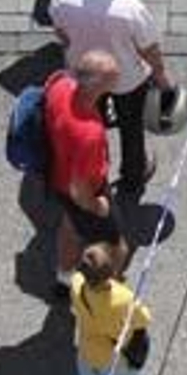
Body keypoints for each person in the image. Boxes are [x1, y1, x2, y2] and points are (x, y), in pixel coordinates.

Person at [50, 0, 172, 197]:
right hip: (126, 80)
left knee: (93, 122)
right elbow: (148, 48)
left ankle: (98, 166)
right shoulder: (131, 8)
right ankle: (133, 176)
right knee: (131, 128)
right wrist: (161, 77)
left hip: (83, 75)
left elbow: (60, 31)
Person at [45, 49, 127, 294]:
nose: (119, 79)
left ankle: (63, 278)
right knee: (117, 246)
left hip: (57, 175)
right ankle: (104, 298)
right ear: (97, 86)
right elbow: (79, 189)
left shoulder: (60, 85)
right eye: (114, 77)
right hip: (84, 190)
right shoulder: (88, 134)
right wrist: (97, 206)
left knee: (70, 225)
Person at [70, 242, 152, 375]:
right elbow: (144, 319)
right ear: (112, 271)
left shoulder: (76, 284)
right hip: (113, 360)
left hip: (86, 352)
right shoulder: (122, 298)